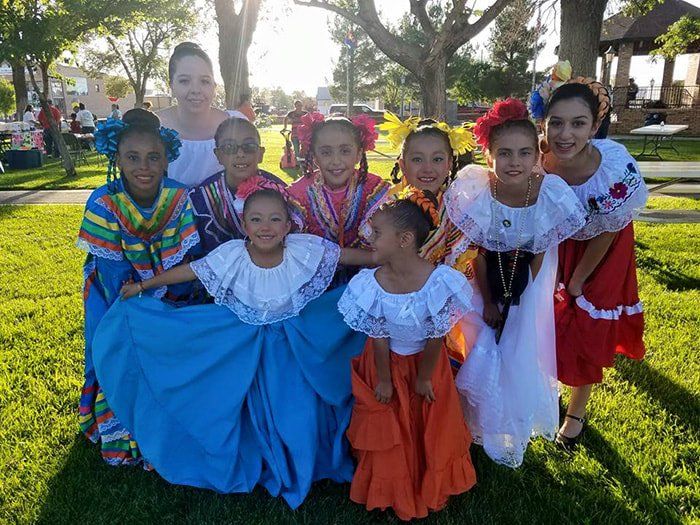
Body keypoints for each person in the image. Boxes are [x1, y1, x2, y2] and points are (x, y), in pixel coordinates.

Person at [105, 185, 367, 508]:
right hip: (251, 353)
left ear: (288, 226)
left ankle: (306, 463)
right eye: (256, 219)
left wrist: (382, 259)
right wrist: (145, 285)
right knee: (260, 414)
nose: (265, 227)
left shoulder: (303, 249)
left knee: (299, 411)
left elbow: (343, 255)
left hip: (295, 352)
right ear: (244, 225)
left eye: (274, 219)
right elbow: (192, 271)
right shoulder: (232, 256)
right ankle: (270, 460)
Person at [445, 99, 587, 467]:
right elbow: (476, 250)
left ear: (538, 153)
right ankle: (476, 421)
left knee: (518, 353)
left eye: (525, 153)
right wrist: (492, 302)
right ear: (488, 155)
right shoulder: (478, 190)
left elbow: (541, 249)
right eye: (504, 153)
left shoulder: (549, 193)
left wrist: (521, 301)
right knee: (480, 348)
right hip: (485, 284)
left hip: (527, 289)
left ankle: (512, 423)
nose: (514, 162)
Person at [338, 189, 477, 521]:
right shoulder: (371, 284)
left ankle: (426, 481)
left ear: (404, 239)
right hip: (385, 365)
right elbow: (379, 334)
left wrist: (425, 376)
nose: (370, 237)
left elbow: (435, 334)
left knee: (426, 423)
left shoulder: (438, 281)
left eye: (377, 233)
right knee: (391, 428)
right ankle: (392, 487)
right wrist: (384, 379)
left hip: (427, 366)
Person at [76, 108, 200, 467]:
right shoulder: (103, 201)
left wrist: (164, 306)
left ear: (166, 160)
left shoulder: (178, 197)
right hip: (115, 295)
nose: (143, 167)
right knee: (115, 351)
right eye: (132, 157)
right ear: (116, 158)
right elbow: (112, 272)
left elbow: (182, 260)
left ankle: (167, 425)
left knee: (171, 352)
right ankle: (123, 430)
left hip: (169, 291)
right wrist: (142, 312)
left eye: (153, 157)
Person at [538, 78, 647, 450]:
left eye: (578, 123)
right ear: (544, 122)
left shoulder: (611, 165)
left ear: (594, 125)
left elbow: (607, 232)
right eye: (556, 122)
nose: (565, 134)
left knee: (585, 319)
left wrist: (578, 280)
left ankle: (576, 412)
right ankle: (546, 386)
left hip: (603, 249)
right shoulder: (537, 160)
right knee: (548, 319)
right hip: (557, 244)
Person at [378, 112, 480, 367]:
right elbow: (376, 254)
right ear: (402, 165)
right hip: (393, 303)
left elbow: (460, 266)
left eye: (437, 159)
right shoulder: (388, 205)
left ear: (449, 165)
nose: (427, 168)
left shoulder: (457, 209)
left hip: (438, 307)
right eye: (416, 159)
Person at [287, 113, 390, 287]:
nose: (336, 161)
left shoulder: (374, 189)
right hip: (313, 284)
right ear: (314, 157)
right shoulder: (299, 194)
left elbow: (386, 247)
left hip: (367, 282)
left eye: (345, 151)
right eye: (326, 152)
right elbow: (295, 252)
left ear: (359, 154)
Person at [189, 116, 297, 254]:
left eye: (249, 147)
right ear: (218, 155)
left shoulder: (280, 191)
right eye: (229, 147)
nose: (240, 154)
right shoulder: (202, 198)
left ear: (261, 153)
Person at [158, 42, 233, 186]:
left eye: (204, 81)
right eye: (184, 81)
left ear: (214, 86)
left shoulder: (235, 125)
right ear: (171, 86)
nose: (196, 90)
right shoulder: (152, 127)